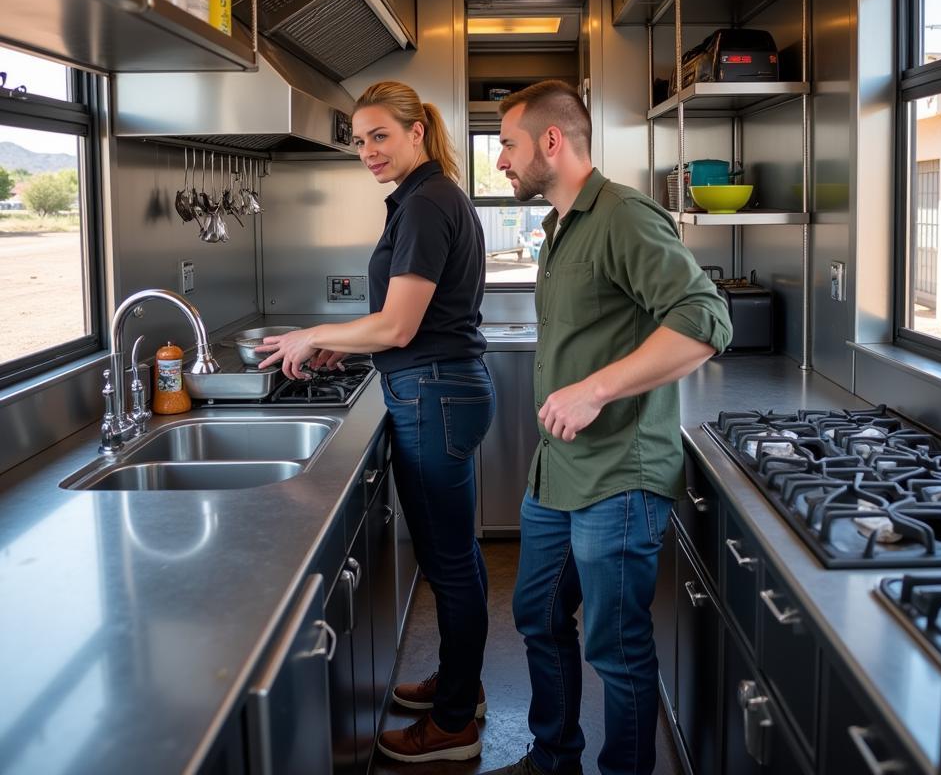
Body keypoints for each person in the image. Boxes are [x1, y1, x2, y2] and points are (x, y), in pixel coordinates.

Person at [485, 80, 732, 775]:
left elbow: (705, 319)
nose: (501, 161)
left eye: (507, 143)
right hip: (559, 472)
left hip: (619, 476)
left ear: (552, 142)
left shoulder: (623, 214)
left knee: (615, 648)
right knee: (537, 616)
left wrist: (596, 390)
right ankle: (554, 757)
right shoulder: (560, 226)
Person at [257, 81, 495, 764]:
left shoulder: (426, 204)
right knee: (457, 557)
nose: (367, 151)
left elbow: (399, 323)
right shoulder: (431, 197)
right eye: (358, 140)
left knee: (449, 562)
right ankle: (461, 688)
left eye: (379, 135)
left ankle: (453, 725)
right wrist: (341, 339)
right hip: (440, 389)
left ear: (417, 129)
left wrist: (316, 334)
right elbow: (395, 323)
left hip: (432, 393)